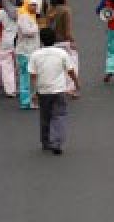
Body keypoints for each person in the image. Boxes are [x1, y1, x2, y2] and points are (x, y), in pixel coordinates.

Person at [29, 27, 81, 155]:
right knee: (59, 116)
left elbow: (33, 75)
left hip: (43, 90)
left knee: (45, 117)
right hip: (58, 90)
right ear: (54, 39)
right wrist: (76, 83)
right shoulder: (61, 53)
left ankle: (46, 142)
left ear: (41, 40)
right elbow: (70, 70)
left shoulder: (35, 55)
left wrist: (34, 91)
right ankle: (57, 142)